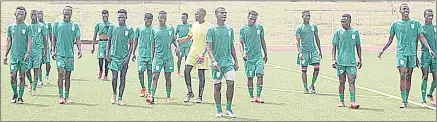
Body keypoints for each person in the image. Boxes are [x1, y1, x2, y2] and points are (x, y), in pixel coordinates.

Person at [378, 3, 435, 108]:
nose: (406, 10)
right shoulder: (395, 24)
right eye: (404, 8)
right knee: (403, 74)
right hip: (401, 53)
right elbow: (390, 39)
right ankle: (403, 101)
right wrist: (383, 49)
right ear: (400, 11)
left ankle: (406, 99)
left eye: (407, 8)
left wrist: (429, 49)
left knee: (408, 76)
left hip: (412, 53)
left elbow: (421, 37)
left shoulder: (415, 23)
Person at [206, 7, 238, 118]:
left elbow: (232, 46)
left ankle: (228, 109)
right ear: (216, 14)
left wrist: (236, 60)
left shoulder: (230, 29)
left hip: (228, 62)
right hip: (217, 64)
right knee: (217, 86)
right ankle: (218, 110)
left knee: (231, 84)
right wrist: (213, 61)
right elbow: (209, 47)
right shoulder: (211, 29)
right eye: (222, 12)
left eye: (225, 13)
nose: (224, 14)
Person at [177, 8, 210, 103]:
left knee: (201, 74)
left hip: (203, 54)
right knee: (186, 70)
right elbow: (189, 37)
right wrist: (180, 40)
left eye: (197, 14)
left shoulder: (208, 26)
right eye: (195, 14)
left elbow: (209, 43)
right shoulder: (194, 25)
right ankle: (190, 92)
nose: (195, 16)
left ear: (203, 15)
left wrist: (203, 54)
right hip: (193, 52)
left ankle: (200, 96)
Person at [51, 6, 83, 104]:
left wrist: (79, 49)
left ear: (71, 13)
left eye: (69, 12)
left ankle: (67, 96)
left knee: (68, 75)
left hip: (69, 54)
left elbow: (77, 38)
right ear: (62, 12)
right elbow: (54, 37)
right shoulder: (57, 24)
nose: (67, 14)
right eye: (65, 12)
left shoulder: (75, 25)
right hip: (60, 53)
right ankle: (60, 96)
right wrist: (53, 50)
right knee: (61, 73)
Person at [4, 6, 32, 104]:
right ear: (15, 14)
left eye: (22, 14)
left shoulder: (28, 27)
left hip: (23, 56)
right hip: (14, 56)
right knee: (12, 76)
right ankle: (15, 94)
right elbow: (9, 42)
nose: (20, 15)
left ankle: (20, 97)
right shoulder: (11, 27)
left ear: (25, 16)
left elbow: (29, 40)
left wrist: (28, 53)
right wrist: (5, 55)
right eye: (18, 13)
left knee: (22, 76)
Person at [106, 9, 134, 105]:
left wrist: (128, 58)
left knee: (123, 78)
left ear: (126, 17)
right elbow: (109, 41)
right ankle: (114, 94)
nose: (121, 19)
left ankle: (120, 98)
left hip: (124, 58)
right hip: (114, 57)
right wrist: (107, 54)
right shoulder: (112, 27)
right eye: (119, 17)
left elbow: (131, 45)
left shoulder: (129, 29)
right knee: (114, 77)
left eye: (122, 17)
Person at [239, 10, 268, 103]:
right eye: (251, 19)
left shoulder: (260, 27)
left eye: (254, 19)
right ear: (248, 17)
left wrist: (266, 53)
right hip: (248, 57)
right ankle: (251, 96)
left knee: (260, 74)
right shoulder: (243, 29)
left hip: (258, 56)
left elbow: (263, 41)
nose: (253, 21)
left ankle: (258, 96)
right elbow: (240, 43)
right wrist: (243, 53)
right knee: (250, 77)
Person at [295, 10, 322, 94]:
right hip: (304, 51)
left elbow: (317, 38)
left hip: (313, 50)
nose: (308, 17)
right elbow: (297, 41)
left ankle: (312, 85)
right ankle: (305, 87)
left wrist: (320, 50)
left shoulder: (314, 26)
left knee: (317, 67)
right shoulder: (299, 27)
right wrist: (300, 53)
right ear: (302, 16)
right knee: (304, 70)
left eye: (309, 15)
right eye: (306, 15)